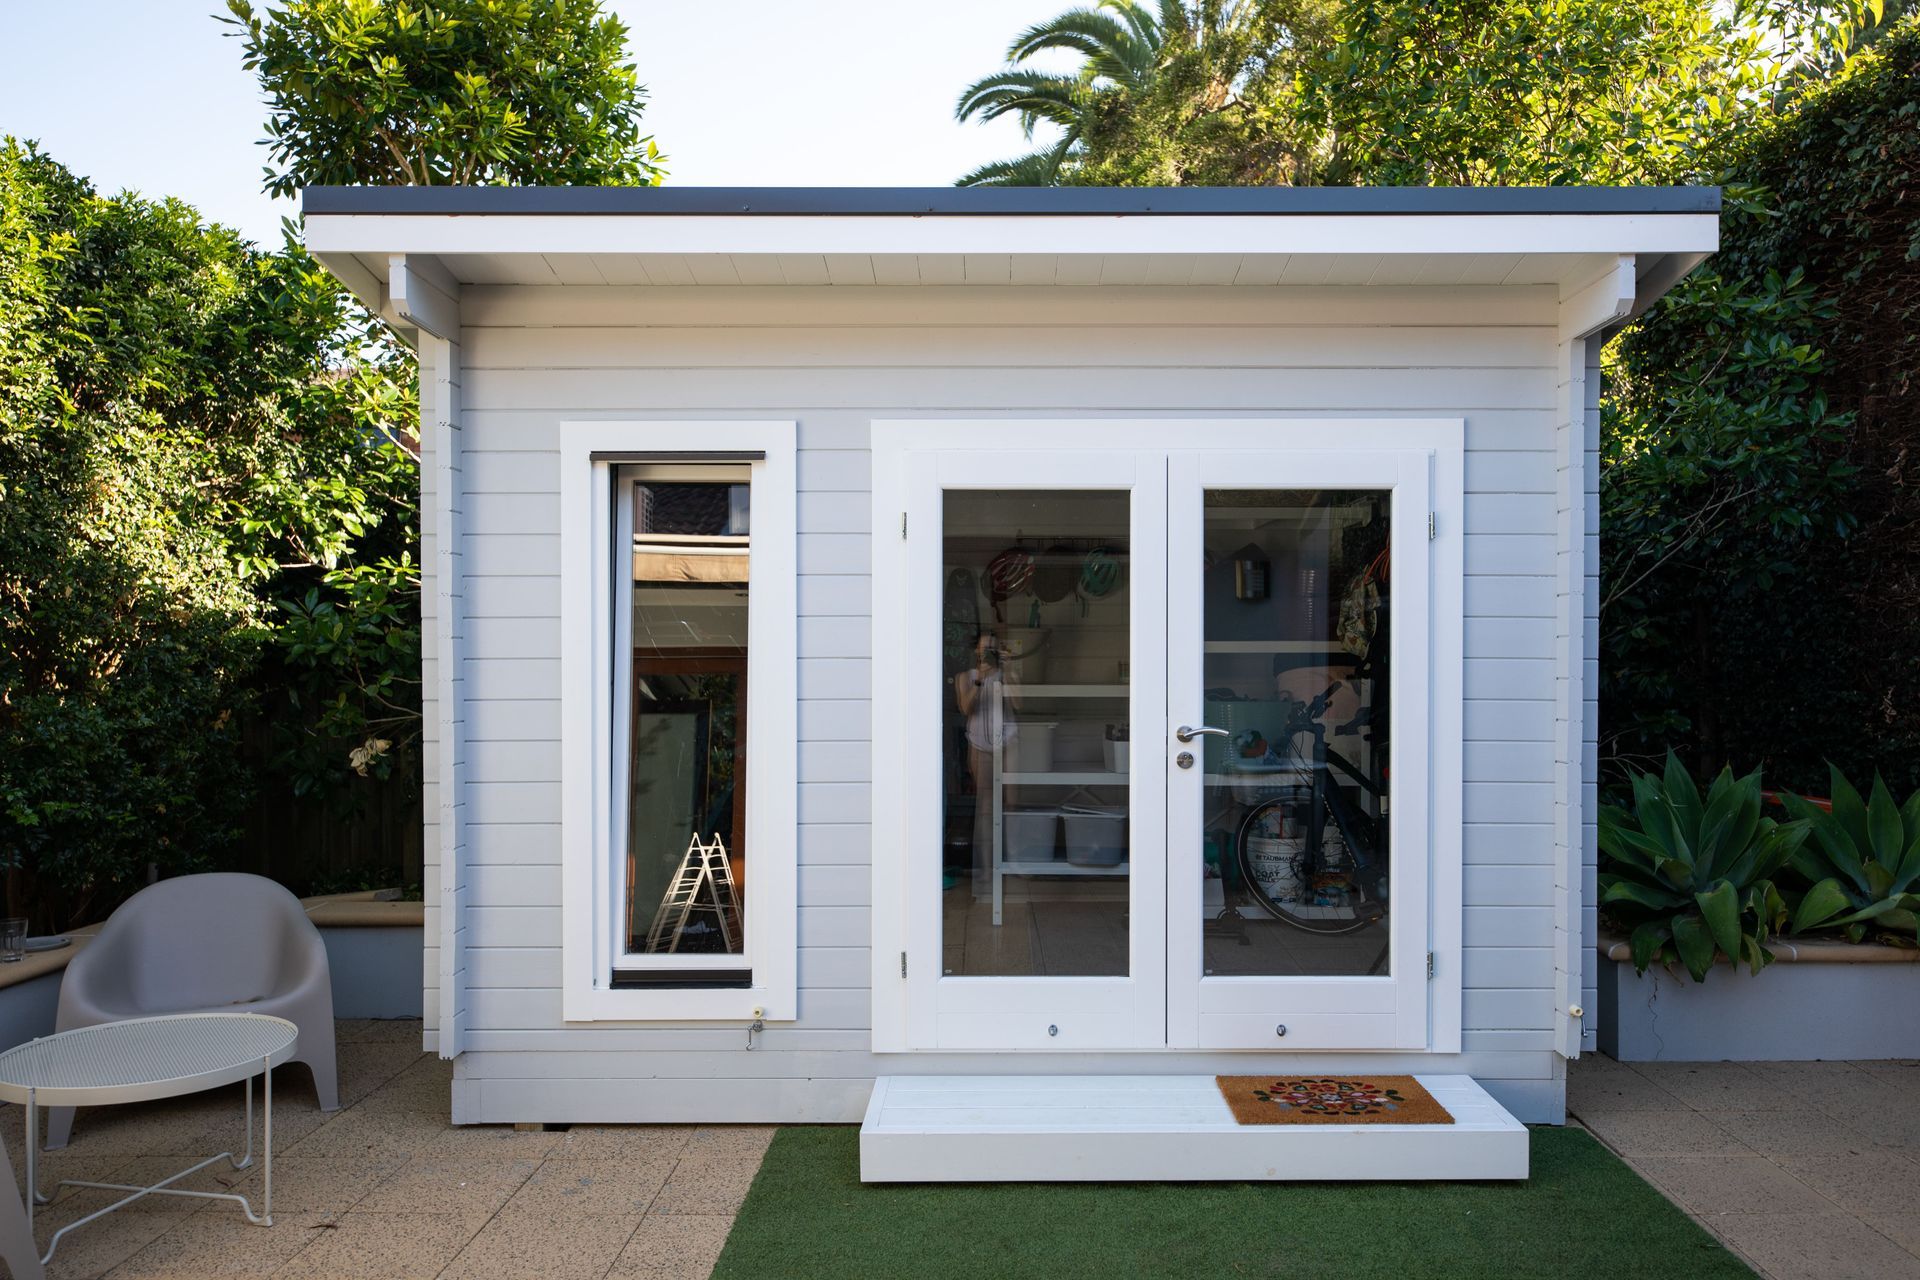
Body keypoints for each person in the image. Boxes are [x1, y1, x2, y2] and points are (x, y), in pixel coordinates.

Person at [954, 631, 1017, 897]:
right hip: (980, 745)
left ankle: (1013, 864)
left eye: (993, 648)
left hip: (1009, 742)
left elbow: (1020, 702)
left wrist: (1010, 670)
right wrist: (979, 680)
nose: (988, 653)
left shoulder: (1005, 676)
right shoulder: (965, 677)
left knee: (1012, 803)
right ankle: (985, 871)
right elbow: (965, 708)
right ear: (976, 652)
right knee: (985, 808)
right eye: (984, 649)